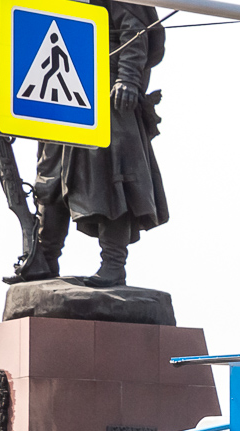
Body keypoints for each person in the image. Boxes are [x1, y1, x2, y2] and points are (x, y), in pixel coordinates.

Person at [9, 2, 169, 288]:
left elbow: (134, 29)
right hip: (57, 89)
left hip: (103, 93)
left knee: (111, 180)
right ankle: (45, 259)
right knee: (50, 180)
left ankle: (113, 264)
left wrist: (128, 78)